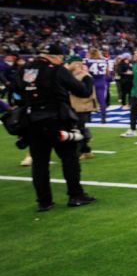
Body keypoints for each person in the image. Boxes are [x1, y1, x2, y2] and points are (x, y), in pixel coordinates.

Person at [13, 43, 96, 211]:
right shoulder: (57, 70)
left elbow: (15, 93)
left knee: (40, 163)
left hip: (32, 120)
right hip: (57, 120)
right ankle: (76, 195)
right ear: (57, 57)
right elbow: (83, 91)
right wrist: (86, 77)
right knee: (69, 158)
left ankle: (44, 201)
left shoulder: (26, 68)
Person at [65, 55, 97, 160]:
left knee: (78, 129)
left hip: (82, 106)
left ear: (76, 64)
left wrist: (71, 89)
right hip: (72, 106)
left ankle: (79, 152)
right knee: (76, 128)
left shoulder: (85, 76)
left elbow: (87, 92)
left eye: (69, 63)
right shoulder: (70, 75)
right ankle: (86, 150)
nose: (67, 65)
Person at [121, 48, 137, 138]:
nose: (135, 54)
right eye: (135, 53)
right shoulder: (135, 65)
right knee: (133, 112)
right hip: (135, 92)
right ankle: (133, 130)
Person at [85, 48, 113, 123]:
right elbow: (108, 73)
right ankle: (103, 118)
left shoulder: (88, 61)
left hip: (91, 81)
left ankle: (88, 117)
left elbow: (85, 72)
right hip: (101, 81)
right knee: (102, 100)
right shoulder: (105, 60)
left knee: (89, 99)